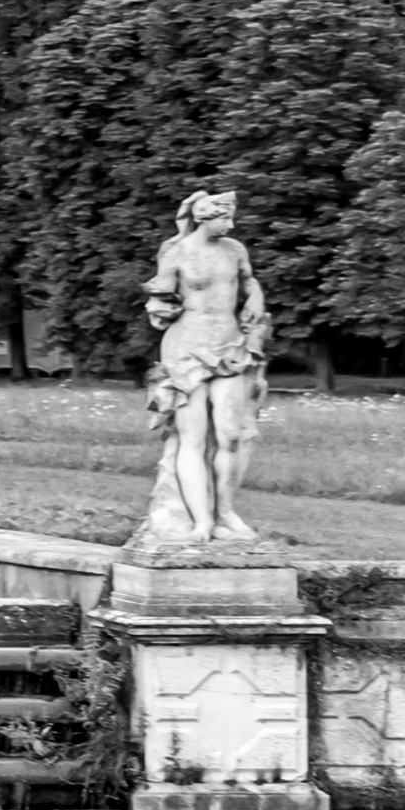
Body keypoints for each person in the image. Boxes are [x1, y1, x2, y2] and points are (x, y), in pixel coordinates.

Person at [142, 189, 273, 544]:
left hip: (229, 347)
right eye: (223, 218)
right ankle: (200, 521)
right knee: (192, 438)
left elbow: (248, 281)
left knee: (232, 434)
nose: (229, 225)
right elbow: (160, 299)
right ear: (202, 217)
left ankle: (225, 512)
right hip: (186, 348)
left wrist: (257, 295)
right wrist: (161, 307)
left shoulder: (235, 250)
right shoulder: (176, 251)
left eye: (231, 218)